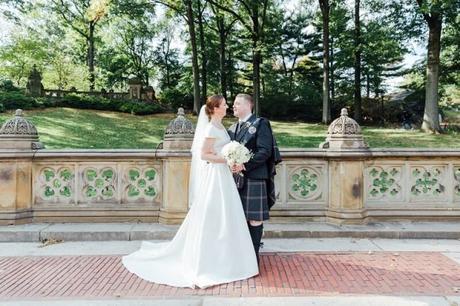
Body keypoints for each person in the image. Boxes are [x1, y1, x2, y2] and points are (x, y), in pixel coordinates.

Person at [122, 95, 258, 288]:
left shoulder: (221, 127)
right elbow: (204, 154)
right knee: (214, 214)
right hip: (215, 176)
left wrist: (232, 158)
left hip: (224, 177)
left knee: (227, 215)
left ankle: (230, 257)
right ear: (215, 109)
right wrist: (227, 159)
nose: (227, 106)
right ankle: (209, 261)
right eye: (224, 104)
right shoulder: (211, 127)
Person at [228, 93, 278, 265]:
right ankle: (241, 256)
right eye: (233, 103)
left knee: (254, 218)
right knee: (237, 217)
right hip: (235, 180)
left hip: (255, 177)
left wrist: (245, 165)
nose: (233, 106)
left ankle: (253, 258)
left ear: (248, 105)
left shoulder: (260, 123)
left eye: (237, 103)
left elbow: (265, 151)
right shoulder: (233, 127)